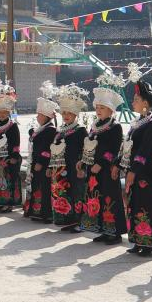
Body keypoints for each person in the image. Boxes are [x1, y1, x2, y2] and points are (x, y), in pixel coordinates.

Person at [125, 78, 152, 256]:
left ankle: (149, 243)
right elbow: (128, 147)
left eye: (136, 99)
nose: (133, 102)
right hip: (133, 169)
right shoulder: (137, 123)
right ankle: (137, 240)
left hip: (144, 173)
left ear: (145, 103)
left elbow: (145, 151)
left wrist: (134, 170)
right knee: (134, 204)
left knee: (145, 205)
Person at [86, 77, 126, 244]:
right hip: (93, 169)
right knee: (98, 198)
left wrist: (100, 163)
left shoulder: (115, 127)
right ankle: (103, 229)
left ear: (111, 110)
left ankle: (114, 232)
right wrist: (84, 161)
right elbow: (88, 146)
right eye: (97, 107)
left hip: (108, 170)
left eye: (102, 108)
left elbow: (114, 150)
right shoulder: (95, 126)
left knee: (110, 199)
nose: (99, 110)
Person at [49, 84, 89, 232]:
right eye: (64, 112)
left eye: (69, 113)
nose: (66, 115)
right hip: (59, 169)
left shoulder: (81, 130)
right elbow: (53, 151)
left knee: (76, 193)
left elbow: (87, 150)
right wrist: (50, 167)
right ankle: (66, 221)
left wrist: (82, 166)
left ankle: (78, 223)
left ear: (75, 114)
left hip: (74, 168)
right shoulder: (59, 131)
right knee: (62, 194)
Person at [23, 83, 59, 221]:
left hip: (42, 165)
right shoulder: (41, 129)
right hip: (35, 164)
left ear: (46, 116)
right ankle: (35, 211)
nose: (37, 116)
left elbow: (47, 149)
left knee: (43, 189)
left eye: (40, 114)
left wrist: (41, 162)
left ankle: (45, 214)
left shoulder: (50, 130)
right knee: (35, 186)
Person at [0, 83, 21, 213]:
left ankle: (9, 203)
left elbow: (16, 143)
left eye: (4, 112)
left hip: (7, 158)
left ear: (8, 111)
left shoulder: (12, 126)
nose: (1, 114)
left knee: (7, 178)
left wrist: (14, 157)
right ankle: (0, 201)